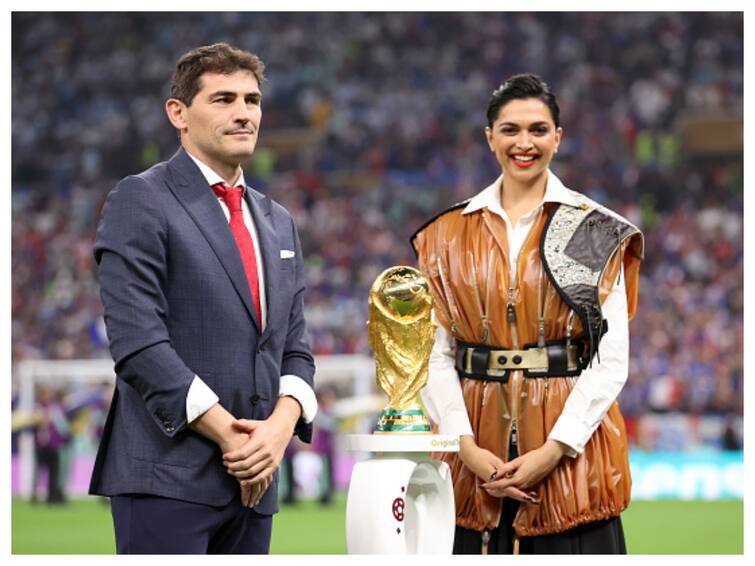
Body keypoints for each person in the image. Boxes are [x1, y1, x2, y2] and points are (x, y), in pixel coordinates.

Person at [89, 43, 317, 554]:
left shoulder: (279, 221)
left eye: (252, 100)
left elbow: (295, 348)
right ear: (178, 113)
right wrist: (231, 437)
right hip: (167, 479)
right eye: (222, 99)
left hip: (256, 484)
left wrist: (280, 429)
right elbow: (137, 344)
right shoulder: (140, 199)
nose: (243, 113)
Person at [411, 74, 644, 554]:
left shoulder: (592, 229)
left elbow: (610, 359)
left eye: (538, 130)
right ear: (489, 137)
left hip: (573, 468)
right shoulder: (445, 235)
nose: (524, 142)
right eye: (510, 129)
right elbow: (434, 354)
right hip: (470, 463)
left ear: (558, 138)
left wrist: (553, 450)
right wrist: (464, 445)